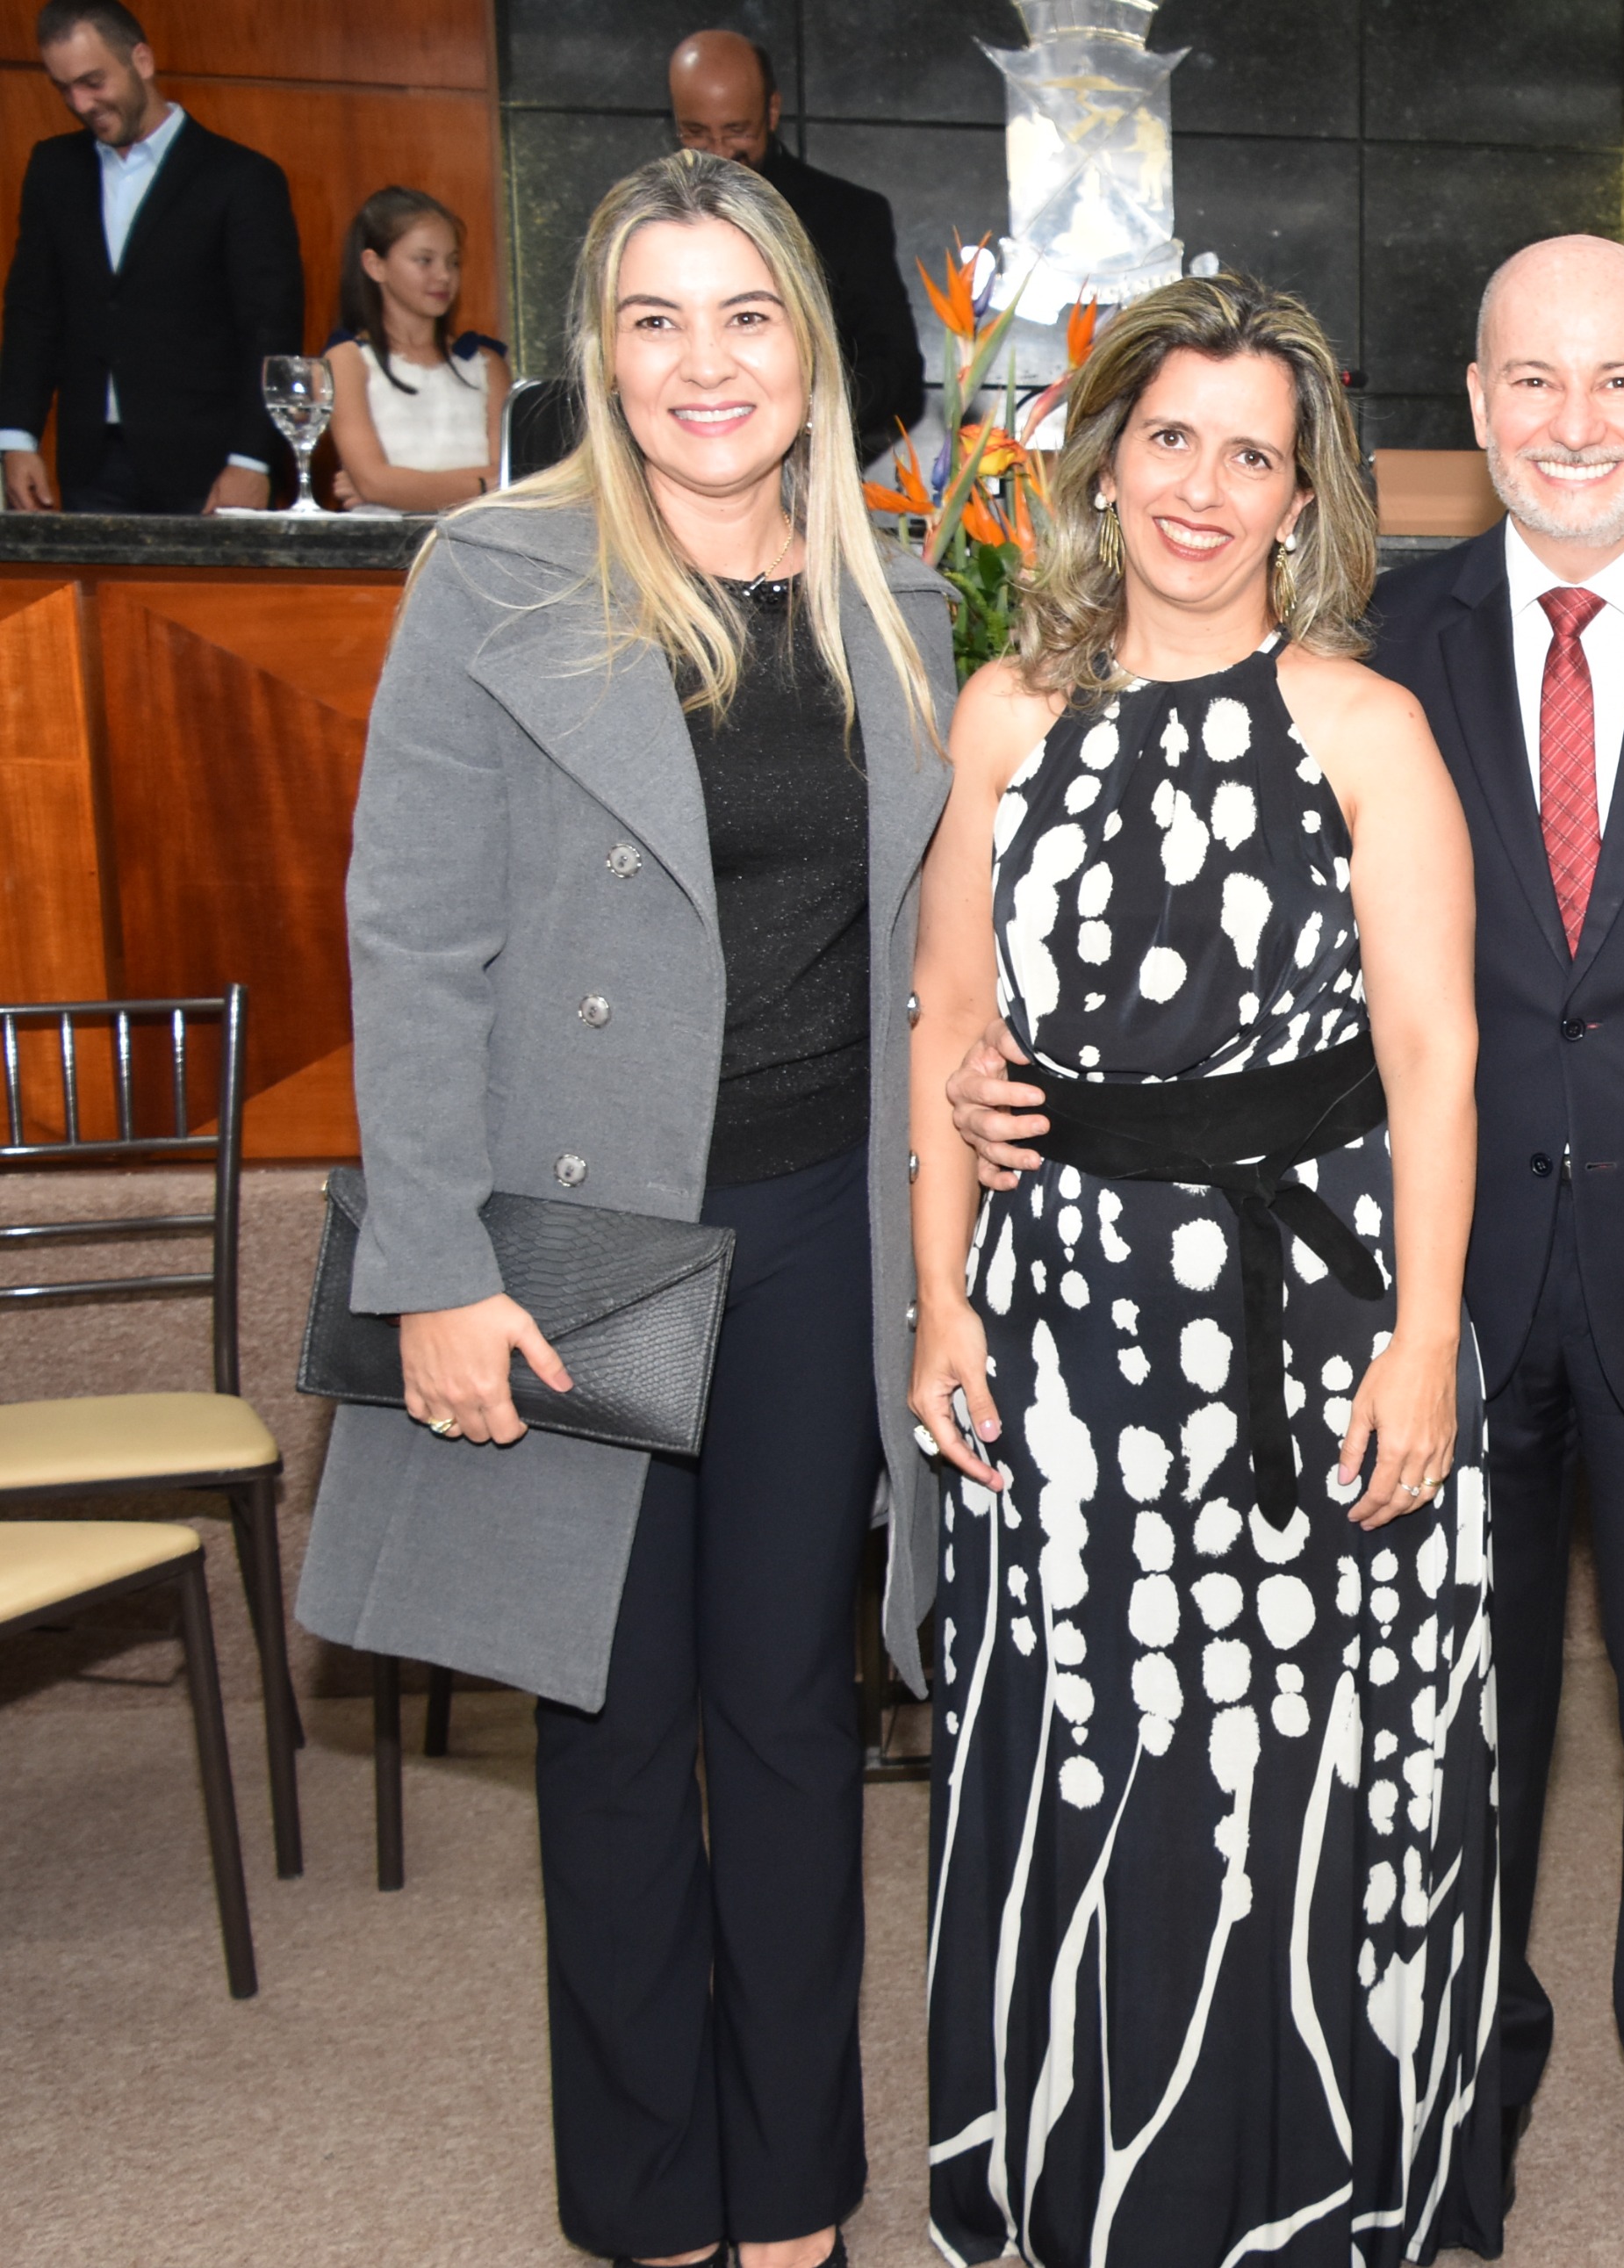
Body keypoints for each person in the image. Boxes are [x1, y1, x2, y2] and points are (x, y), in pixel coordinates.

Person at [945, 231, 1624, 2250]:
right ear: (1472, 409)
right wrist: (983, 1090)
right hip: (1418, 1284)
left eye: (1618, 381)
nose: (1576, 422)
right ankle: (1468, 2050)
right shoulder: (1385, 636)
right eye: (1531, 381)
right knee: (1451, 1722)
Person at [294, 150, 951, 2268]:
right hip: (582, 1240)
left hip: (820, 1230)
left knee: (791, 1720)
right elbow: (412, 943)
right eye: (654, 320)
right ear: (599, 350)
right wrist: (434, 1268)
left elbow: (933, 940)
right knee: (606, 1722)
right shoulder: (492, 574)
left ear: (810, 351)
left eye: (743, 316)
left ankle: (798, 2203)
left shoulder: (899, 592)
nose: (702, 363)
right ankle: (657, 2205)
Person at [903, 270, 1495, 2267]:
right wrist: (938, 1294)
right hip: (1056, 1312)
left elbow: (1432, 1054)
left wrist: (1424, 1340)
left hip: (1305, 1322)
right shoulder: (1003, 715)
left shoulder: (1363, 726)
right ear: (1105, 461)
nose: (1203, 488)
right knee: (1089, 1743)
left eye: (1253, 455)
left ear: (1302, 499)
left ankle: (1288, 2196)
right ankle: (1093, 2183)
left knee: (1280, 1760)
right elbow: (948, 1021)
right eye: (1171, 438)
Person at [0, 0, 299, 514]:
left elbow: (271, 333)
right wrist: (16, 437)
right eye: (64, 88)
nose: (81, 102)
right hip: (91, 465)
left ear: (141, 60)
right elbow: (33, 314)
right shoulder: (53, 169)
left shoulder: (242, 178)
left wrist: (252, 460)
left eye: (93, 81)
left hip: (211, 466)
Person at [670, 28, 927, 457]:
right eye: (695, 132)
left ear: (772, 112)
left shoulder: (848, 216)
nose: (717, 152)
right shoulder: (644, 223)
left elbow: (895, 369)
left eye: (737, 132)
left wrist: (807, 418)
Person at [322, 185, 509, 512]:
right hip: (382, 540)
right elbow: (373, 482)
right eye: (424, 260)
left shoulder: (485, 363)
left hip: (473, 536)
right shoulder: (347, 362)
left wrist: (397, 487)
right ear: (375, 265)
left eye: (453, 262)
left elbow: (512, 478)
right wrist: (482, 487)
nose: (444, 275)